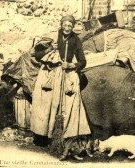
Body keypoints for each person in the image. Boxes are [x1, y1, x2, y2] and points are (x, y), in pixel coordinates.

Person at [30, 15, 91, 147]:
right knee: (46, 104)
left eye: (70, 25)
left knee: (66, 105)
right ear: (61, 24)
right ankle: (43, 135)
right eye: (65, 25)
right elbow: (35, 54)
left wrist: (71, 65)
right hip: (49, 75)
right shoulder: (53, 36)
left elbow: (83, 61)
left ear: (73, 27)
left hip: (66, 74)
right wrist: (51, 48)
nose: (67, 28)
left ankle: (65, 136)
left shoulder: (76, 40)